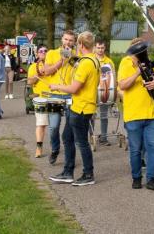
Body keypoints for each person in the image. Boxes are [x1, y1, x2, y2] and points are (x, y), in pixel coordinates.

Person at [49, 31, 99, 186]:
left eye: (76, 43)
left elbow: (74, 88)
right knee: (67, 137)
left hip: (82, 107)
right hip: (78, 106)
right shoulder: (93, 59)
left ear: (81, 45)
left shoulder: (85, 63)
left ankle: (88, 174)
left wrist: (56, 86)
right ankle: (68, 171)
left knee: (81, 142)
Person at [118, 38, 154, 191]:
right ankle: (137, 178)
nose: (141, 53)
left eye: (142, 50)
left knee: (153, 147)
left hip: (152, 115)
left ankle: (151, 179)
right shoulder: (126, 63)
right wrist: (138, 73)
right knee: (136, 149)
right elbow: (122, 85)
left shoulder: (150, 63)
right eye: (137, 51)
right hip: (133, 115)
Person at [43, 30, 77, 164]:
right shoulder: (51, 53)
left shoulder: (76, 55)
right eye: (66, 39)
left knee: (70, 127)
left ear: (74, 42)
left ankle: (70, 155)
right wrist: (61, 60)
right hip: (54, 94)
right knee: (54, 126)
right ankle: (55, 149)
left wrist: (72, 58)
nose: (68, 42)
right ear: (61, 39)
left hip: (70, 94)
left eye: (70, 40)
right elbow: (47, 71)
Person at [27, 45, 49, 158]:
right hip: (40, 98)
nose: (43, 52)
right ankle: (39, 147)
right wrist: (38, 74)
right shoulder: (33, 67)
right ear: (37, 53)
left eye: (46, 51)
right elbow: (29, 82)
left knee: (55, 126)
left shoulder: (54, 64)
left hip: (55, 97)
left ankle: (56, 146)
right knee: (41, 124)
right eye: (41, 51)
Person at [93, 39, 116, 146]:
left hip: (105, 92)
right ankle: (91, 136)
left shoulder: (109, 61)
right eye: (98, 47)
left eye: (102, 48)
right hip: (92, 91)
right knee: (91, 115)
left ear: (105, 48)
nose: (100, 50)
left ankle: (104, 137)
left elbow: (113, 77)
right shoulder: (91, 59)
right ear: (94, 47)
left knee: (104, 115)